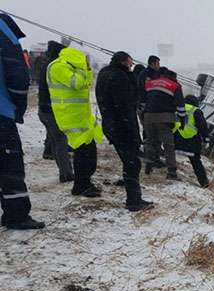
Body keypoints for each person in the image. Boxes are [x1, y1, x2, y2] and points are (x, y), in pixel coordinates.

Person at [0, 14, 45, 230]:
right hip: (1, 111)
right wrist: (18, 107)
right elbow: (17, 73)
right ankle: (16, 215)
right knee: (10, 165)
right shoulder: (3, 28)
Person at [96, 51, 154, 211]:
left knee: (129, 161)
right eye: (130, 62)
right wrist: (134, 133)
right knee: (133, 163)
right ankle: (134, 201)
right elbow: (125, 107)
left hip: (111, 125)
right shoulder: (120, 78)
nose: (131, 65)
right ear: (123, 62)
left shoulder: (105, 73)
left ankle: (133, 196)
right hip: (123, 127)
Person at [48, 46, 103, 197]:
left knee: (89, 153)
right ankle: (80, 185)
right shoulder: (58, 67)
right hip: (70, 117)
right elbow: (77, 83)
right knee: (83, 153)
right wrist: (81, 68)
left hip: (82, 117)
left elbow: (87, 83)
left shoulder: (70, 67)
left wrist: (87, 69)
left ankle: (85, 182)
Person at [35, 40, 73, 182]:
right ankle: (66, 174)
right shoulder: (54, 67)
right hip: (51, 110)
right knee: (60, 142)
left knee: (54, 138)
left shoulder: (47, 65)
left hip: (44, 109)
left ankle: (49, 153)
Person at [143, 68, 183, 179]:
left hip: (148, 117)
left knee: (150, 142)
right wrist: (182, 120)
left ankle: (148, 165)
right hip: (165, 118)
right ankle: (171, 172)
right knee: (168, 145)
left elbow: (143, 99)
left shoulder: (150, 83)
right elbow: (180, 106)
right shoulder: (175, 85)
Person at [173, 95, 211, 188]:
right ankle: (204, 183)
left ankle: (169, 172)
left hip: (176, 141)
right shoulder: (196, 111)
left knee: (168, 155)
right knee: (196, 162)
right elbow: (203, 126)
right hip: (191, 143)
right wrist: (206, 139)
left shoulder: (177, 108)